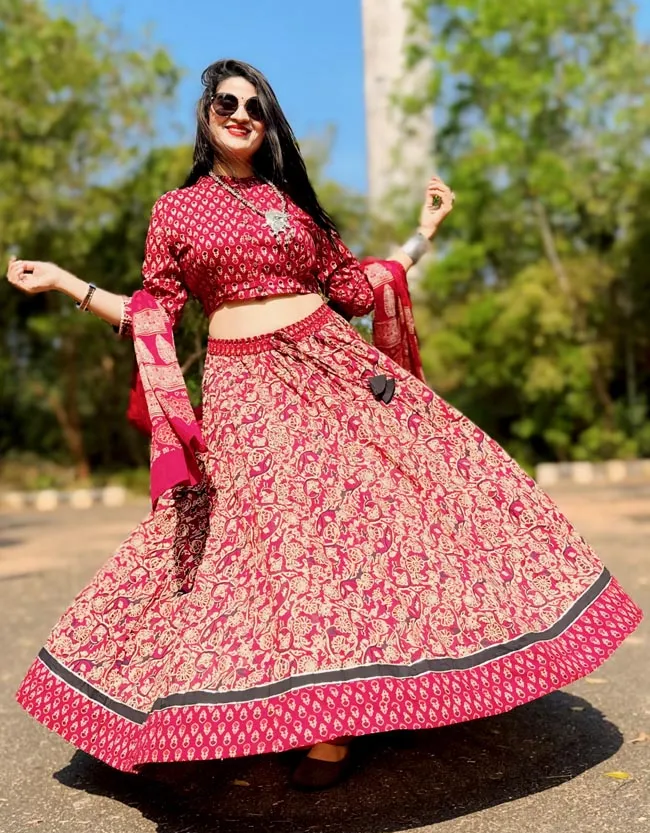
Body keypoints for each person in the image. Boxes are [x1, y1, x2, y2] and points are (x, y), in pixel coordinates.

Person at [8, 59, 641, 792]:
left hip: (327, 372)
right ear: (206, 113)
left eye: (256, 106)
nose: (242, 114)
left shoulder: (295, 207)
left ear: (268, 123)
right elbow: (154, 312)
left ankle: (343, 721)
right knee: (266, 545)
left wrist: (421, 237)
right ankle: (279, 705)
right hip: (245, 394)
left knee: (379, 517)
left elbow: (353, 290)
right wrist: (67, 283)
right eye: (227, 102)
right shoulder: (174, 211)